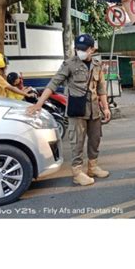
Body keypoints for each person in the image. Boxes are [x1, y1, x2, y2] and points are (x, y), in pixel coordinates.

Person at [27, 34, 111, 186]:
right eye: (78, 49)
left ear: (92, 49)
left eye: (84, 49)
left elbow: (101, 89)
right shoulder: (69, 64)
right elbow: (53, 84)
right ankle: (77, 173)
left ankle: (92, 167)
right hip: (76, 110)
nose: (80, 51)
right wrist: (39, 103)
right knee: (77, 142)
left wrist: (105, 108)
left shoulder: (97, 64)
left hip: (94, 110)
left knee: (95, 140)